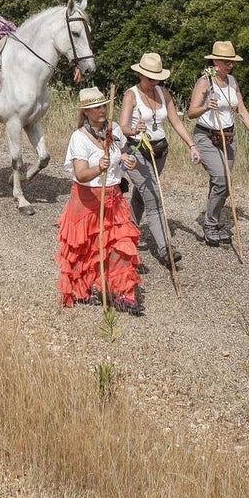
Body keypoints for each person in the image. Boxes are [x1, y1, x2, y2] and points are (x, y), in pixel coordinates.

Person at [57, 87, 144, 315]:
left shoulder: (114, 129)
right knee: (85, 249)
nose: (102, 110)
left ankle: (124, 294)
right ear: (86, 112)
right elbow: (81, 174)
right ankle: (81, 288)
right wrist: (99, 168)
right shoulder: (79, 138)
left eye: (103, 105)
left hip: (114, 198)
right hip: (87, 201)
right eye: (96, 107)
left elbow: (122, 155)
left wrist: (127, 160)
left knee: (122, 244)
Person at [118, 52, 201, 266]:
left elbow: (176, 122)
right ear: (141, 75)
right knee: (154, 198)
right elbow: (122, 127)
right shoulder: (131, 95)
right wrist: (134, 129)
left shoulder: (164, 93)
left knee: (141, 196)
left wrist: (191, 145)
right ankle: (166, 249)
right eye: (149, 78)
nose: (153, 81)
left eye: (156, 78)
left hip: (160, 151)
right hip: (137, 151)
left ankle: (126, 234)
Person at [186, 41, 249, 247]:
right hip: (206, 136)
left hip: (228, 136)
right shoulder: (205, 82)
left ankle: (214, 218)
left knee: (224, 183)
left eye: (232, 62)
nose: (230, 65)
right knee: (221, 179)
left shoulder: (232, 81)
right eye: (226, 62)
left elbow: (241, 109)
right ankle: (210, 225)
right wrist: (205, 107)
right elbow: (191, 113)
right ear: (215, 61)